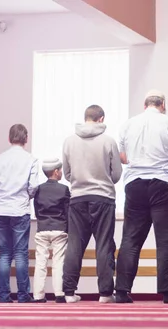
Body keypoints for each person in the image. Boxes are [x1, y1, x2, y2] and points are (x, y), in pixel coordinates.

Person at [116, 90, 168, 304]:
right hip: (163, 184)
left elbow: (124, 158)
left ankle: (121, 291)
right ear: (163, 104)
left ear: (144, 104)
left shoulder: (128, 125)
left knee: (130, 238)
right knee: (165, 239)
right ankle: (167, 292)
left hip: (135, 183)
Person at [62, 105, 122, 304]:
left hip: (78, 197)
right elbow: (116, 174)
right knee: (104, 245)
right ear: (101, 118)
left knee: (74, 245)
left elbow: (67, 174)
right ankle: (105, 294)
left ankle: (69, 292)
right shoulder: (108, 141)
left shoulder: (69, 141)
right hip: (103, 198)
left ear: (85, 117)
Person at [0, 125, 39, 303]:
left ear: (9, 139)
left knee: (5, 253)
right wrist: (25, 197)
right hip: (19, 209)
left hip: (0, 210)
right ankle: (23, 296)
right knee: (21, 253)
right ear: (26, 139)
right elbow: (34, 186)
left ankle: (4, 296)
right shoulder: (31, 159)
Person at [32, 157, 70, 303]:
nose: (61, 172)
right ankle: (59, 294)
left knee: (40, 262)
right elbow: (67, 212)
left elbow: (36, 209)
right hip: (59, 229)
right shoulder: (64, 189)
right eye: (60, 170)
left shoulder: (38, 189)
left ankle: (38, 295)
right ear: (56, 172)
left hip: (42, 229)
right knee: (58, 261)